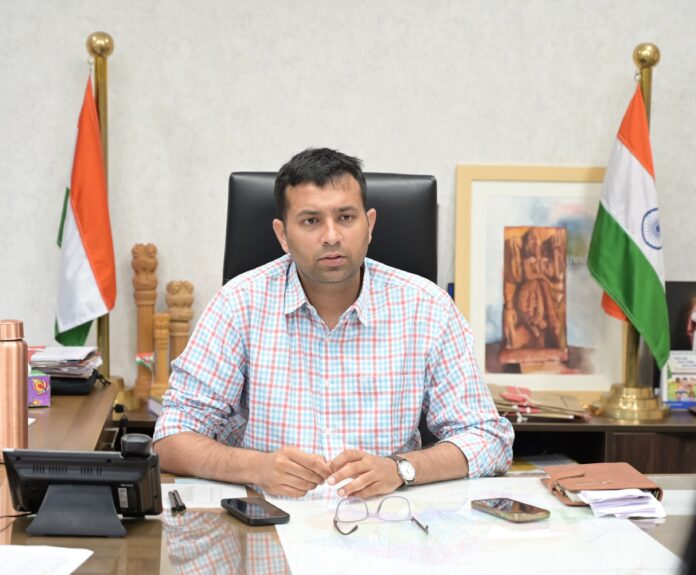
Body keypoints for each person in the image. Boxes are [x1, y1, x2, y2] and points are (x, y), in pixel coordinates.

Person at [153, 148, 514, 499]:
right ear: (283, 235)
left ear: (369, 225)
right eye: (311, 221)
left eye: (345, 217)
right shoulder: (239, 303)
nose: (331, 236)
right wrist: (257, 467)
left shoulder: (427, 308)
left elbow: (489, 438)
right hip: (268, 518)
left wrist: (400, 469)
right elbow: (171, 436)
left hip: (386, 519)